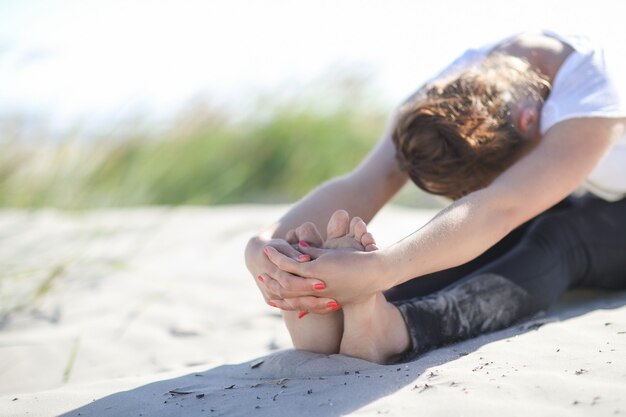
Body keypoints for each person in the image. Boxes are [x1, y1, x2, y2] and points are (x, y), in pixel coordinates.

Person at [244, 30, 626, 364]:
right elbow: (366, 182)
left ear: (528, 122)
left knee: (557, 236)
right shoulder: (451, 91)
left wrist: (382, 266)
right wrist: (268, 249)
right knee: (492, 234)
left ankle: (396, 331)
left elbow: (501, 207)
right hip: (580, 196)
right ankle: (357, 311)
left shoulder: (594, 93)